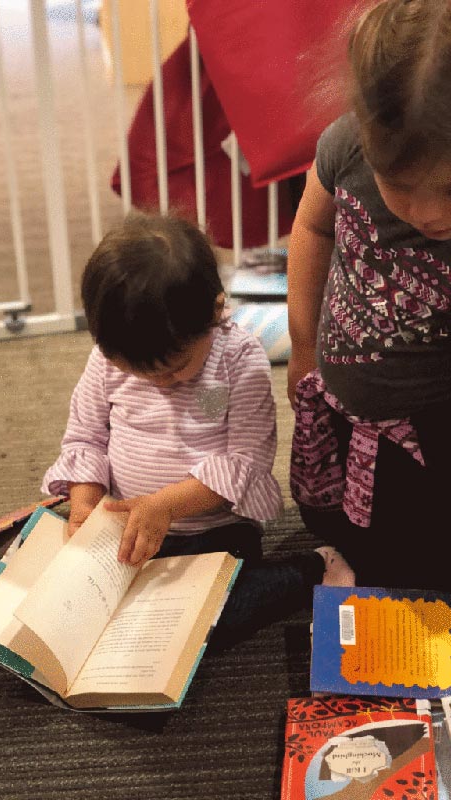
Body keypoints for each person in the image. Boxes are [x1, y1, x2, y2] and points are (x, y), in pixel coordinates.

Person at [42, 211, 346, 640]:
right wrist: (83, 506)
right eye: (137, 371)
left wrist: (165, 506)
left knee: (210, 621)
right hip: (129, 526)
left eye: (174, 369)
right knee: (71, 598)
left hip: (214, 531)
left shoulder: (238, 362)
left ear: (216, 312)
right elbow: (86, 437)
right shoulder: (107, 360)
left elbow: (245, 463)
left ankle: (310, 568)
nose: (157, 383)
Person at [287, 0, 451, 590]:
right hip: (348, 406)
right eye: (400, 187)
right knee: (352, 534)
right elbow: (311, 228)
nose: (430, 213)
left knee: (421, 568)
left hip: (434, 422)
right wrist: (303, 346)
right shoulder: (347, 147)